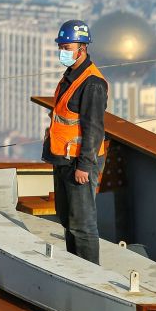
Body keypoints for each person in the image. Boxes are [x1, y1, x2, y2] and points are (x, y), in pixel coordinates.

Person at [43, 20, 108, 265]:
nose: (63, 51)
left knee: (82, 225)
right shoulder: (70, 77)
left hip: (80, 163)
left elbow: (94, 129)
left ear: (82, 49)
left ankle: (90, 274)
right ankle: (74, 267)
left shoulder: (92, 83)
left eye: (67, 46)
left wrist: (84, 165)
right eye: (61, 46)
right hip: (63, 158)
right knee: (67, 220)